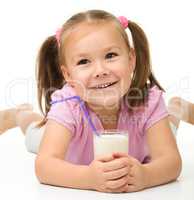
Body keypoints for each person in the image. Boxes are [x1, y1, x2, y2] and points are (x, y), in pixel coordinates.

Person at [0, 9, 182, 193]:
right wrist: (89, 178)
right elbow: (44, 166)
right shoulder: (68, 106)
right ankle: (19, 114)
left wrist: (146, 174)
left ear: (131, 59)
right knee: (34, 134)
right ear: (68, 75)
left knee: (169, 129)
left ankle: (177, 107)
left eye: (110, 55)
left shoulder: (148, 102)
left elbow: (171, 161)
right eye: (84, 61)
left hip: (144, 143)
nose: (100, 70)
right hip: (67, 142)